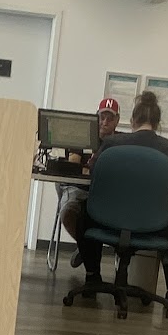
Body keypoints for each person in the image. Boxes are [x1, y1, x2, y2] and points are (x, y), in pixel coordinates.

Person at [77, 89, 168, 313]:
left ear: (131, 120)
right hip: (154, 226)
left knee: (81, 212)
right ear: (158, 123)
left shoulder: (111, 144)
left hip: (107, 222)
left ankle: (92, 276)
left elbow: (95, 176)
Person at [60, 97, 123, 249]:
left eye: (110, 118)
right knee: (68, 211)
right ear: (96, 117)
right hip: (80, 188)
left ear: (117, 120)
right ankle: (87, 248)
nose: (105, 122)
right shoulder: (83, 136)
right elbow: (74, 165)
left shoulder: (122, 141)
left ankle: (88, 249)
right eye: (102, 117)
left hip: (107, 192)